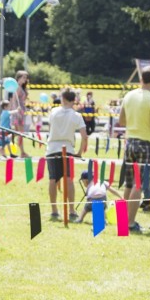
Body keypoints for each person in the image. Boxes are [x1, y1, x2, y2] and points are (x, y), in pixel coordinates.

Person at [118, 66, 150, 232]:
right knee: (139, 184)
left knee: (128, 184)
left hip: (130, 142)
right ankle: (130, 223)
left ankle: (122, 221)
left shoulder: (129, 95)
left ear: (141, 78)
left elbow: (121, 121)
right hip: (146, 143)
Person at [46, 87, 88, 221]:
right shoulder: (76, 115)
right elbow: (84, 136)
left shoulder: (53, 112)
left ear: (63, 99)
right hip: (68, 149)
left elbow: (51, 127)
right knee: (69, 179)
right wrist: (79, 152)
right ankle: (71, 210)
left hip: (52, 148)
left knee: (53, 179)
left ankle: (54, 210)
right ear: (74, 100)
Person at [9, 70, 30, 158]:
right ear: (19, 78)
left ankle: (4, 141)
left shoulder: (22, 88)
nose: (25, 79)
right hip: (18, 112)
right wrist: (16, 112)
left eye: (26, 78)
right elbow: (13, 100)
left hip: (22, 111)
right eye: (23, 77)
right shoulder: (17, 87)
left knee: (18, 132)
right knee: (20, 132)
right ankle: (22, 152)